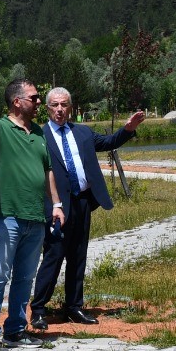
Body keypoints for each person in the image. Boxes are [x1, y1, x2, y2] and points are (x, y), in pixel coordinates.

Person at [30, 89, 145, 329]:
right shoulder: (38, 135)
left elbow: (109, 142)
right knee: (54, 256)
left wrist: (129, 128)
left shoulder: (81, 132)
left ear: (70, 107)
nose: (59, 109)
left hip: (82, 202)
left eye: (64, 104)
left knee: (78, 256)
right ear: (47, 108)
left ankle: (73, 307)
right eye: (54, 105)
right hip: (55, 207)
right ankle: (38, 310)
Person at [0, 79, 64, 351]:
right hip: (6, 216)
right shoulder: (0, 127)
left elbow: (47, 169)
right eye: (34, 98)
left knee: (25, 278)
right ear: (17, 101)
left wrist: (57, 204)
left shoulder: (37, 132)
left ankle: (15, 330)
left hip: (34, 217)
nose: (39, 102)